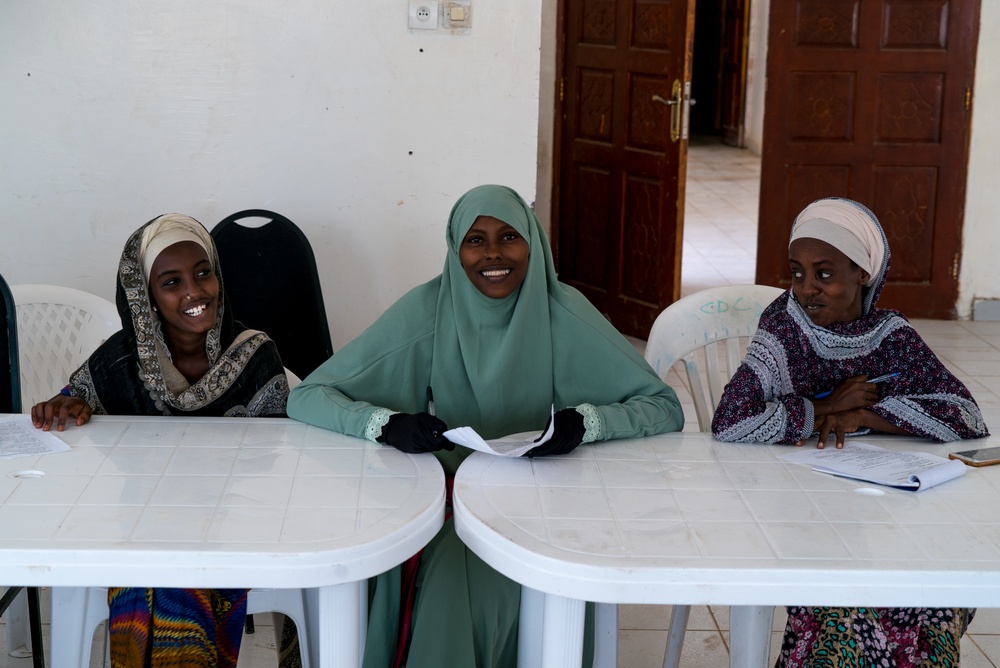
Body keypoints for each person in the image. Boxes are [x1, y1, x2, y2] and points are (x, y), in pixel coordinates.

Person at [286, 184, 684, 668]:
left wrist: (587, 424)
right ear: (455, 248)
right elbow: (308, 397)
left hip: (547, 505)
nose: (493, 254)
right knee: (454, 587)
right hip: (452, 503)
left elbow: (664, 407)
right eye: (475, 239)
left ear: (533, 243)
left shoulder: (562, 312)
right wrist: (387, 425)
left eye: (509, 236)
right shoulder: (429, 309)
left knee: (529, 580)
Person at [712, 197, 988, 667]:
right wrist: (824, 407)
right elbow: (732, 420)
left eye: (824, 274)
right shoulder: (784, 326)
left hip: (879, 512)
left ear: (862, 273)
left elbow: (966, 416)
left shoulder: (890, 336)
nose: (806, 290)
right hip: (796, 512)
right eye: (797, 273)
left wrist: (862, 417)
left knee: (929, 591)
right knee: (844, 609)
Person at [31, 214, 289, 668]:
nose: (195, 291)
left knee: (176, 575)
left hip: (235, 529)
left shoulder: (255, 355)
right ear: (145, 297)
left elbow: (280, 465)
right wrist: (66, 404)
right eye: (172, 282)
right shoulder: (121, 359)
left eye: (203, 272)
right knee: (157, 569)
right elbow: (75, 398)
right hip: (142, 528)